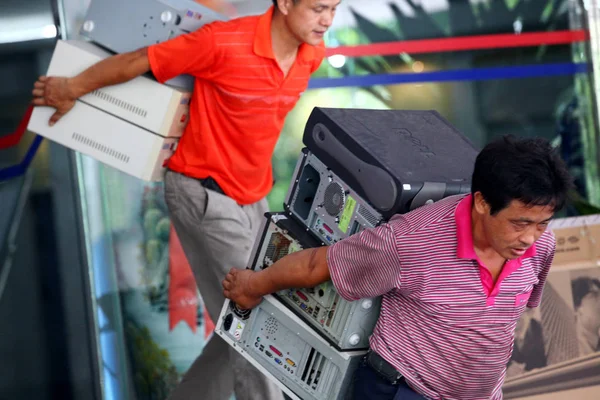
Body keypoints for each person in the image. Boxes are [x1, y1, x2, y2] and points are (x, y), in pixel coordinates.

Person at [31, 1, 339, 399]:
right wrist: (71, 88)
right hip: (204, 192)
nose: (327, 20)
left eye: (334, 7)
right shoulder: (225, 42)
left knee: (237, 324)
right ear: (284, 4)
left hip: (254, 198)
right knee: (255, 317)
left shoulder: (310, 54)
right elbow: (142, 59)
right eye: (318, 8)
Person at [222, 135, 574, 400]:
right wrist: (252, 286)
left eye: (542, 224)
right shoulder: (414, 241)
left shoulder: (543, 246)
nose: (530, 237)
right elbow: (321, 263)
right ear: (482, 202)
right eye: (520, 223)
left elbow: (497, 325)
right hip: (403, 391)